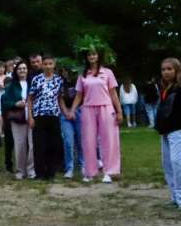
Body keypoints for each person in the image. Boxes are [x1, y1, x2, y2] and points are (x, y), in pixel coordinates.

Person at [69, 49, 123, 183]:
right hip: (88, 108)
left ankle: (109, 171)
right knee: (88, 141)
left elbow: (113, 93)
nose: (92, 57)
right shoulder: (83, 74)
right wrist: (72, 110)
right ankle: (89, 172)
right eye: (89, 55)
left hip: (106, 107)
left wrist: (119, 111)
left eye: (94, 54)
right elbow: (79, 95)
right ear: (86, 58)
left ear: (98, 56)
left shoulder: (107, 72)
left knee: (108, 140)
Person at [156, 58, 181, 210]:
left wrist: (175, 121)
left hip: (177, 130)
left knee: (177, 163)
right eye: (164, 69)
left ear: (177, 70)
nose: (166, 72)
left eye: (169, 69)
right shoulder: (165, 88)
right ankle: (176, 197)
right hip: (166, 131)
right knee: (168, 164)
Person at [27, 55, 65, 180]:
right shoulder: (36, 80)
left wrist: (66, 112)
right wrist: (30, 117)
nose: (48, 66)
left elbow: (60, 98)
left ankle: (51, 172)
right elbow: (30, 99)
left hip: (53, 115)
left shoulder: (59, 80)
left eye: (50, 64)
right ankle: (40, 173)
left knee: (54, 144)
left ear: (54, 65)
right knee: (40, 145)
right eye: (45, 64)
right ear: (42, 65)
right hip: (39, 115)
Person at [2, 62, 34, 179]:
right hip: (17, 118)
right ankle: (20, 171)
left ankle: (31, 170)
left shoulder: (33, 83)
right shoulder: (12, 86)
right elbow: (4, 101)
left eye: (24, 68)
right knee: (19, 145)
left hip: (31, 117)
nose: (22, 70)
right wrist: (15, 103)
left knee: (32, 145)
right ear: (16, 71)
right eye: (20, 69)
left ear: (27, 70)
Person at [58, 67, 84, 179]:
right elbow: (60, 99)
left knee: (81, 139)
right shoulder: (59, 82)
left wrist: (73, 110)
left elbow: (81, 96)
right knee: (68, 140)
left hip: (79, 111)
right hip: (65, 113)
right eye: (64, 70)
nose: (67, 72)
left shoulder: (80, 80)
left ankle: (83, 164)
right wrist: (66, 112)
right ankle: (69, 168)